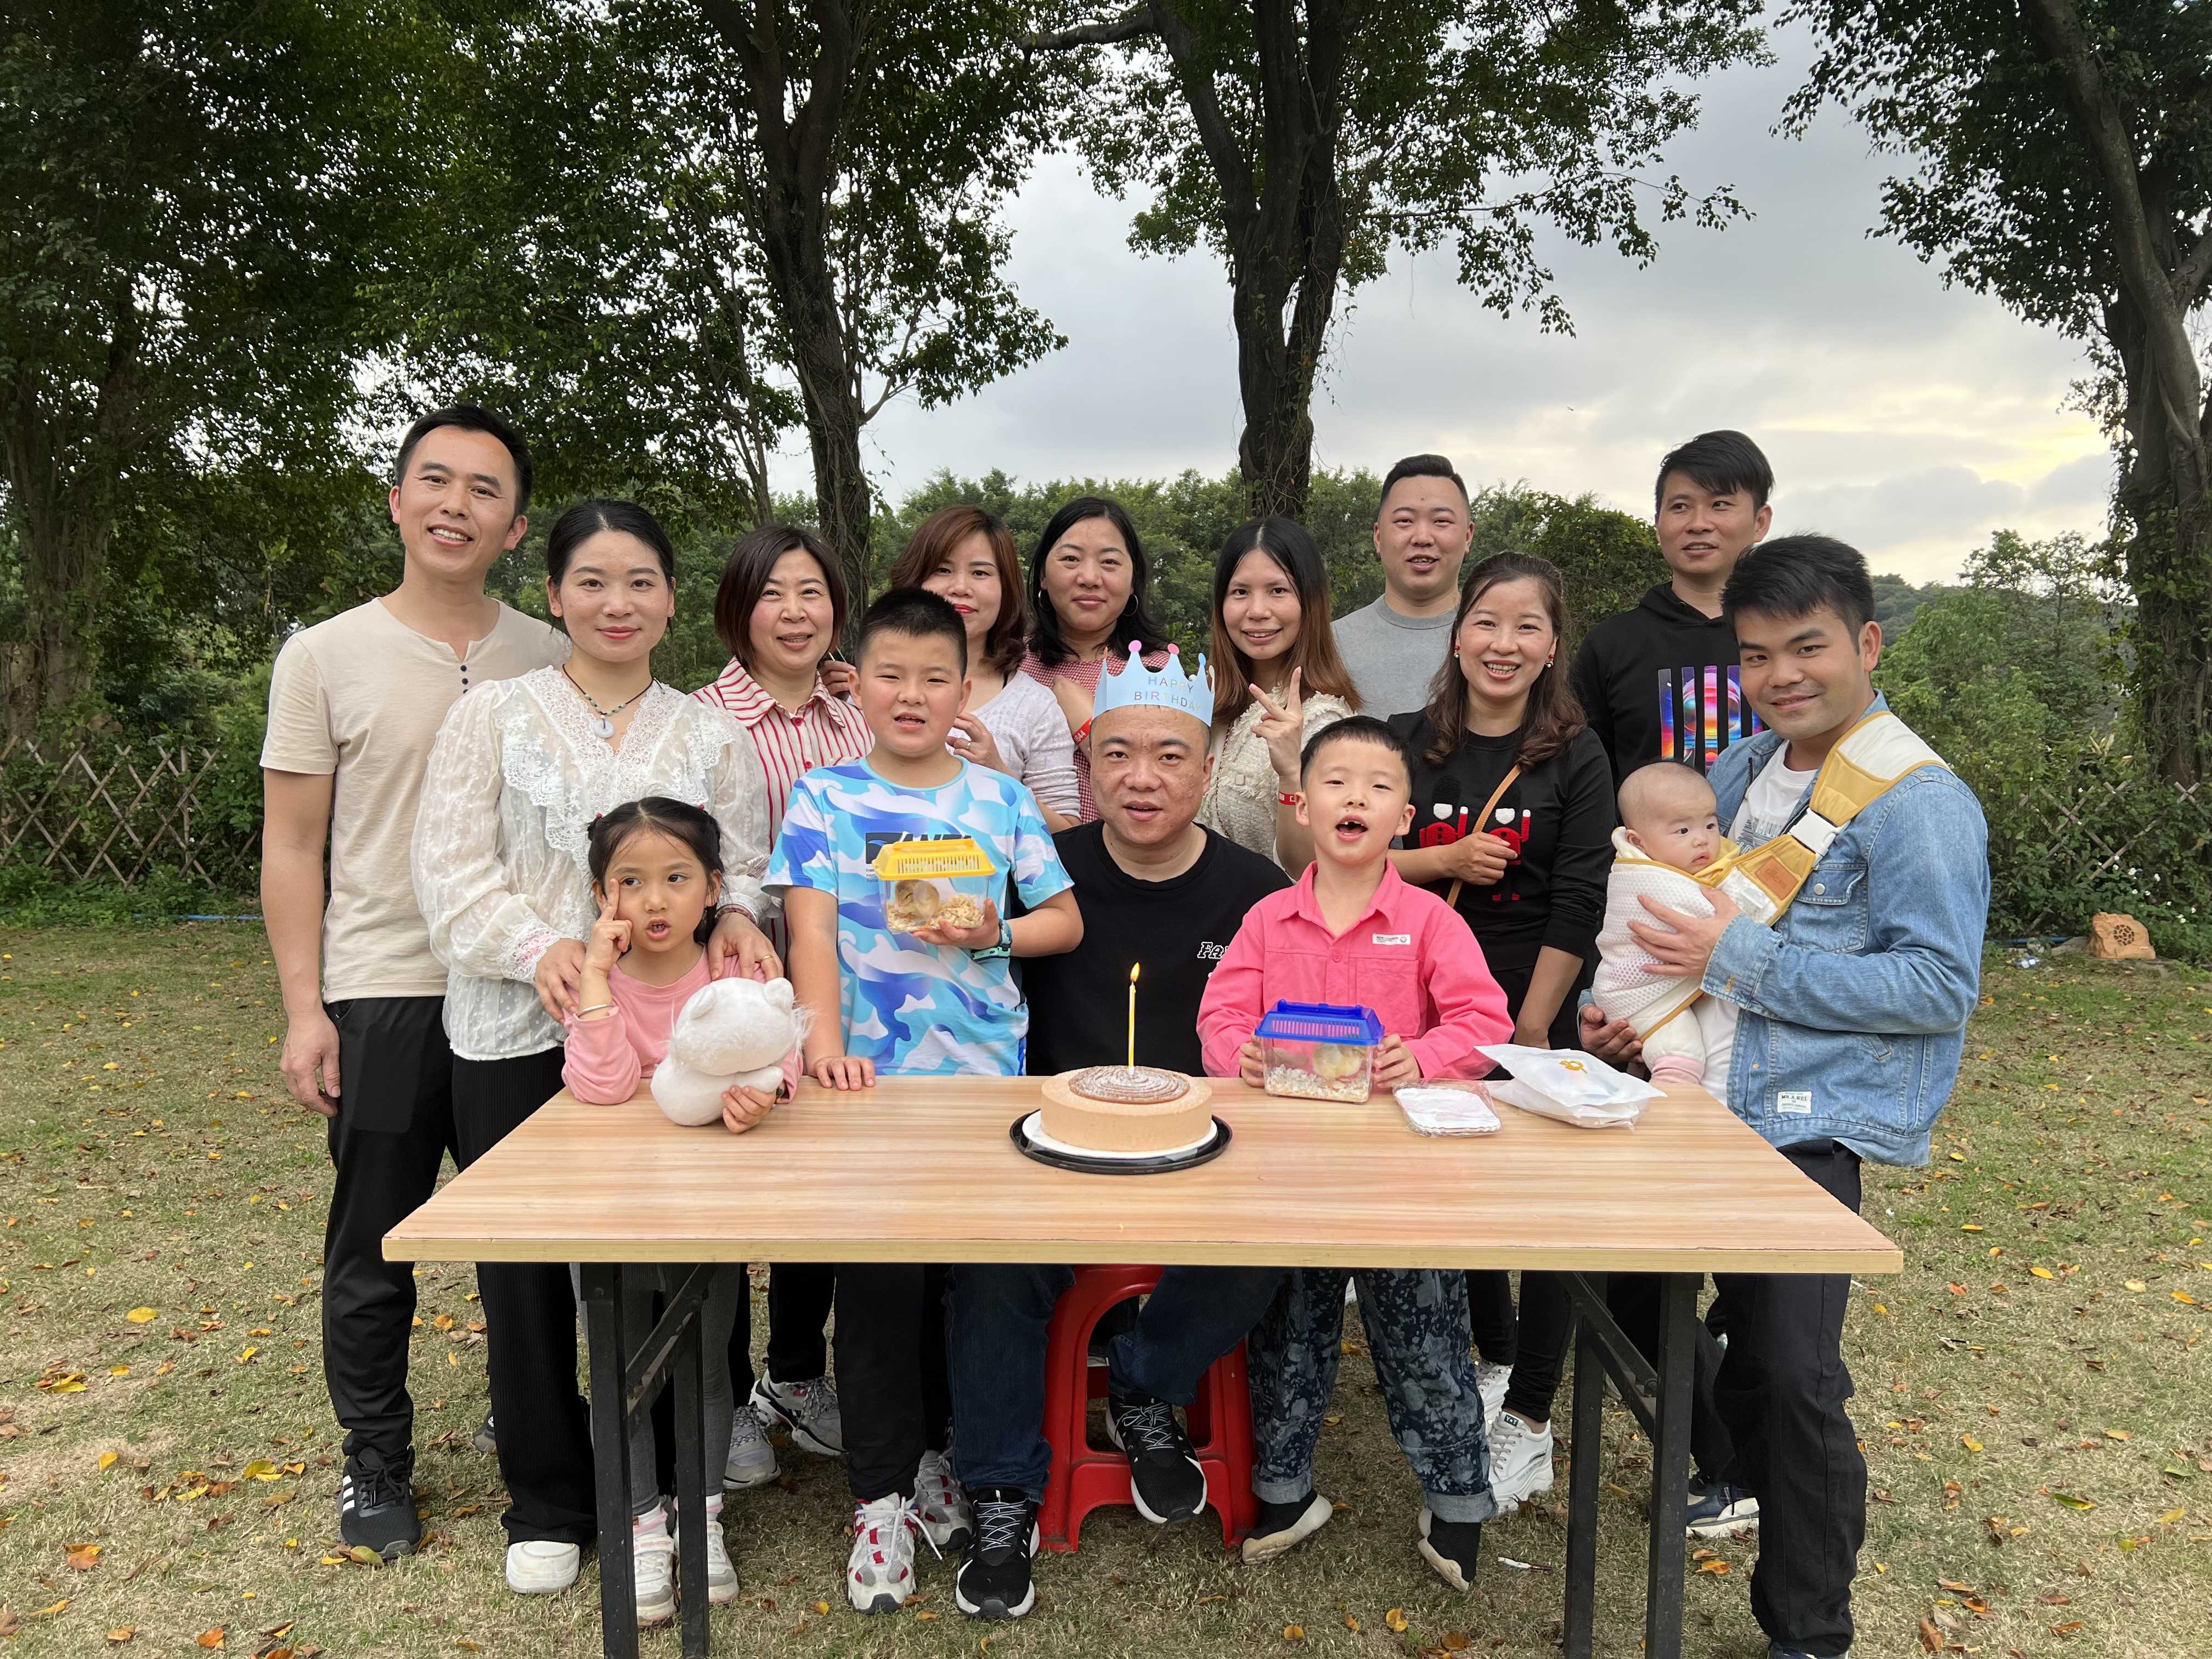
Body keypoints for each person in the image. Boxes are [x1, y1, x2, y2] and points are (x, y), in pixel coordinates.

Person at [1588, 535, 1988, 1659]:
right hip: (1694, 1096)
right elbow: (1673, 914)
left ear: (1867, 642)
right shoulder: (1737, 769)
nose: (1781, 675)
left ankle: (1808, 1629)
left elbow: (1937, 986)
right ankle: (1731, 1464)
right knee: (1629, 1300)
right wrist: (1631, 1015)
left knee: (1797, 1378)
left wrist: (1734, 958)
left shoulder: (1917, 800)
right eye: (1757, 654)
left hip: (1804, 1124)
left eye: (1806, 647)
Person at [410, 499, 778, 1597]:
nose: (618, 603)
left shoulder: (711, 732)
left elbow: (744, 869)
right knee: (526, 1271)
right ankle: (550, 1498)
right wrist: (549, 952)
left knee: (687, 1263)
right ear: (554, 593)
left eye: (640, 581)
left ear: (671, 597)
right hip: (515, 1030)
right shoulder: (492, 715)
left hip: (671, 1038)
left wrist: (740, 916)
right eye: (592, 581)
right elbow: (450, 873)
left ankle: (684, 1494)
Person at [261, 405, 568, 1562]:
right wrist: (306, 1008)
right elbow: (294, 843)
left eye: (485, 490)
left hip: (524, 988)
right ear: (397, 502)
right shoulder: (325, 656)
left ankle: (529, 1422)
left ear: (515, 527)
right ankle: (376, 1455)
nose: (457, 505)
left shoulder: (551, 653)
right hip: (385, 986)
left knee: (532, 1240)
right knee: (377, 1237)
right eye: (435, 481)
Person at [944, 644, 1293, 1621]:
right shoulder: (1045, 877)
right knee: (991, 1263)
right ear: (1088, 767)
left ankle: (1145, 1380)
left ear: (1207, 770)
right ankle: (1002, 1491)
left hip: (1204, 1155)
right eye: (1119, 754)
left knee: (1269, 1239)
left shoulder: (1255, 890)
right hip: (1050, 1153)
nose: (1143, 778)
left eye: (1170, 756)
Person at [769, 588, 1082, 1614]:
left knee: (973, 1282)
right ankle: (879, 1497)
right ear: (857, 682)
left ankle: (949, 1461)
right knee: (875, 1294)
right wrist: (824, 1047)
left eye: (934, 677)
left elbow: (1065, 920)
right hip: (865, 1087)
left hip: (984, 1086)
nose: (912, 695)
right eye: (890, 675)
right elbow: (810, 933)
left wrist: (996, 931)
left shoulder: (999, 799)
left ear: (965, 688)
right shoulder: (822, 797)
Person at [1198, 715, 1513, 1592]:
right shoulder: (1268, 919)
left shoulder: (1427, 922)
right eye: (1335, 782)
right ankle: (1283, 1490)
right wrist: (1238, 1054)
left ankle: (1457, 1499)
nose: (1356, 799)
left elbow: (1483, 1020)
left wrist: (1426, 1057)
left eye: (1378, 787)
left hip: (1403, 1177)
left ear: (1405, 818)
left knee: (1424, 1331)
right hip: (1287, 1173)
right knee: (1288, 1329)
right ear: (1301, 805)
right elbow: (1220, 1015)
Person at [1384, 552, 1614, 1515]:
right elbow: (1352, 853)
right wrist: (1443, 856)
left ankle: (1529, 1413)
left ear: (1553, 645)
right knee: (1457, 1185)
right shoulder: (1410, 741)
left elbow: (1581, 896)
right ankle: (1497, 1354)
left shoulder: (1577, 754)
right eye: (1486, 621)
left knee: (1553, 1207)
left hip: (1531, 998)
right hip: (1424, 1000)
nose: (1503, 643)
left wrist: (1530, 1026)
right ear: (1457, 633)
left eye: (1527, 626)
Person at [561, 799, 799, 1625]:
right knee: (618, 1362)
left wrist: (763, 1100)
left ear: (714, 889)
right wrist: (597, 977)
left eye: (676, 878)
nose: (655, 900)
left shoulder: (734, 979)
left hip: (710, 1209)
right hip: (611, 1205)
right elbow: (601, 1086)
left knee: (704, 1363)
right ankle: (639, 1525)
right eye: (630, 882)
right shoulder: (603, 986)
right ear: (604, 897)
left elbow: (780, 1058)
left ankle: (701, 1517)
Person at [692, 523, 868, 1487]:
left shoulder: (859, 715)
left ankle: (796, 1370)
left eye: (812, 592)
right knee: (725, 1182)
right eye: (773, 593)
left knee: (826, 1179)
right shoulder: (701, 719)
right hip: (733, 977)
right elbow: (681, 850)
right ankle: (722, 1396)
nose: (795, 613)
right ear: (738, 608)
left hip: (844, 978)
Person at [1570, 430, 1775, 780]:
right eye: (1680, 507)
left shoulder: (1791, 637)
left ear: (1760, 522)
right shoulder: (1610, 645)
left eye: (1720, 504)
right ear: (1658, 524)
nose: (1698, 524)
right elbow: (1583, 774)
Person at [886, 503, 1080, 828]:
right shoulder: (868, 692)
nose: (961, 587)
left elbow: (1068, 832)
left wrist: (1000, 776)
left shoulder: (1035, 706)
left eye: (980, 573)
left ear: (1006, 589)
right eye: (943, 570)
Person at [1195, 517, 1358, 871]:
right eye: (1240, 592)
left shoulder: (1327, 724)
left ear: (1310, 601)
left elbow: (1312, 867)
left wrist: (1290, 774)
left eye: (1278, 590)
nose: (1257, 611)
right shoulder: (1203, 704)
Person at [1018, 495, 1173, 821]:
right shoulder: (1010, 662)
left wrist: (1086, 724)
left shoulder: (1158, 673)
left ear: (1133, 581)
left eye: (1109, 562)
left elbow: (1160, 784)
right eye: (1071, 559)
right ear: (1043, 576)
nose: (1089, 577)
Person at [1593, 761, 1740, 1094]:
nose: (1702, 840)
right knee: (1681, 1054)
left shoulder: (1695, 866)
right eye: (1683, 831)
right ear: (1638, 842)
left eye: (1711, 825)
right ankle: (1670, 1103)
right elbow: (1713, 919)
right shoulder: (1644, 878)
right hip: (1638, 993)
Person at [1332, 455, 1475, 716]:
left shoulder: (1501, 645)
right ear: (1378, 536)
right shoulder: (1329, 645)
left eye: (1441, 521)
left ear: (1468, 536)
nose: (1422, 538)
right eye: (1405, 521)